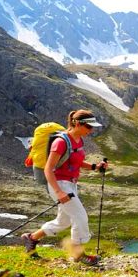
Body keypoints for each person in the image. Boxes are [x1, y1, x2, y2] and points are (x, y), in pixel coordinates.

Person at [21, 110, 109, 265]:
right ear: (76, 123)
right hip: (59, 184)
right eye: (89, 126)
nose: (91, 130)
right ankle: (78, 254)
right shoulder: (60, 142)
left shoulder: (78, 141)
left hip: (71, 184)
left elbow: (75, 161)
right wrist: (59, 191)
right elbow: (48, 169)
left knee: (63, 221)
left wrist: (95, 166)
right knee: (80, 216)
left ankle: (31, 238)